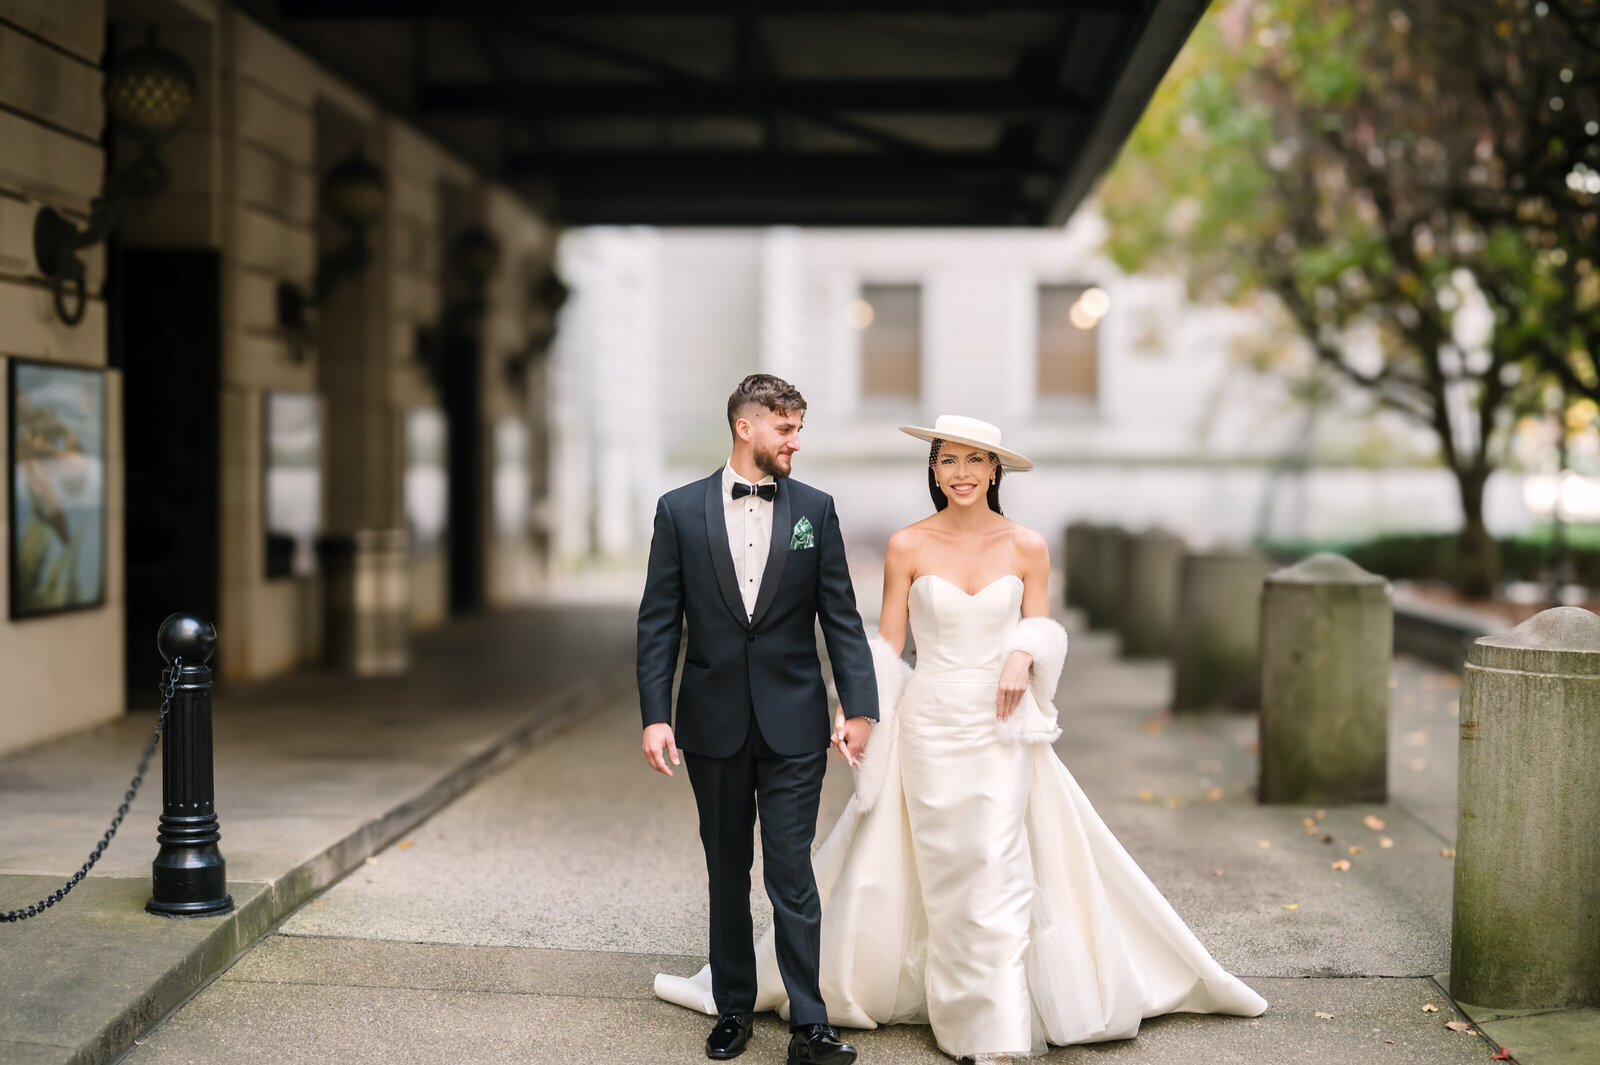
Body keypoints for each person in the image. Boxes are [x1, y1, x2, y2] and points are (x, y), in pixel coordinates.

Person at [656, 414, 1268, 1064]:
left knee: (998, 868)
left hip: (1001, 731)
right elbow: (886, 646)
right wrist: (857, 710)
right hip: (928, 725)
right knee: (947, 870)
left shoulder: (1029, 545)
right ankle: (935, 997)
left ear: (996, 470)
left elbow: (1044, 628)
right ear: (934, 470)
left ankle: (993, 1035)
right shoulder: (907, 545)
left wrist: (1024, 652)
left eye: (976, 460)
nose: (962, 473)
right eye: (948, 460)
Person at [637, 374, 880, 1065]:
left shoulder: (816, 509)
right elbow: (658, 624)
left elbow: (841, 617)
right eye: (786, 428)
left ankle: (811, 1023)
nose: (796, 441)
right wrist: (657, 715)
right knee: (726, 868)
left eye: (799, 427)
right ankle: (733, 1008)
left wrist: (855, 704)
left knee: (790, 871)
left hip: (794, 722)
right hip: (710, 725)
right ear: (747, 427)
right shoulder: (678, 511)